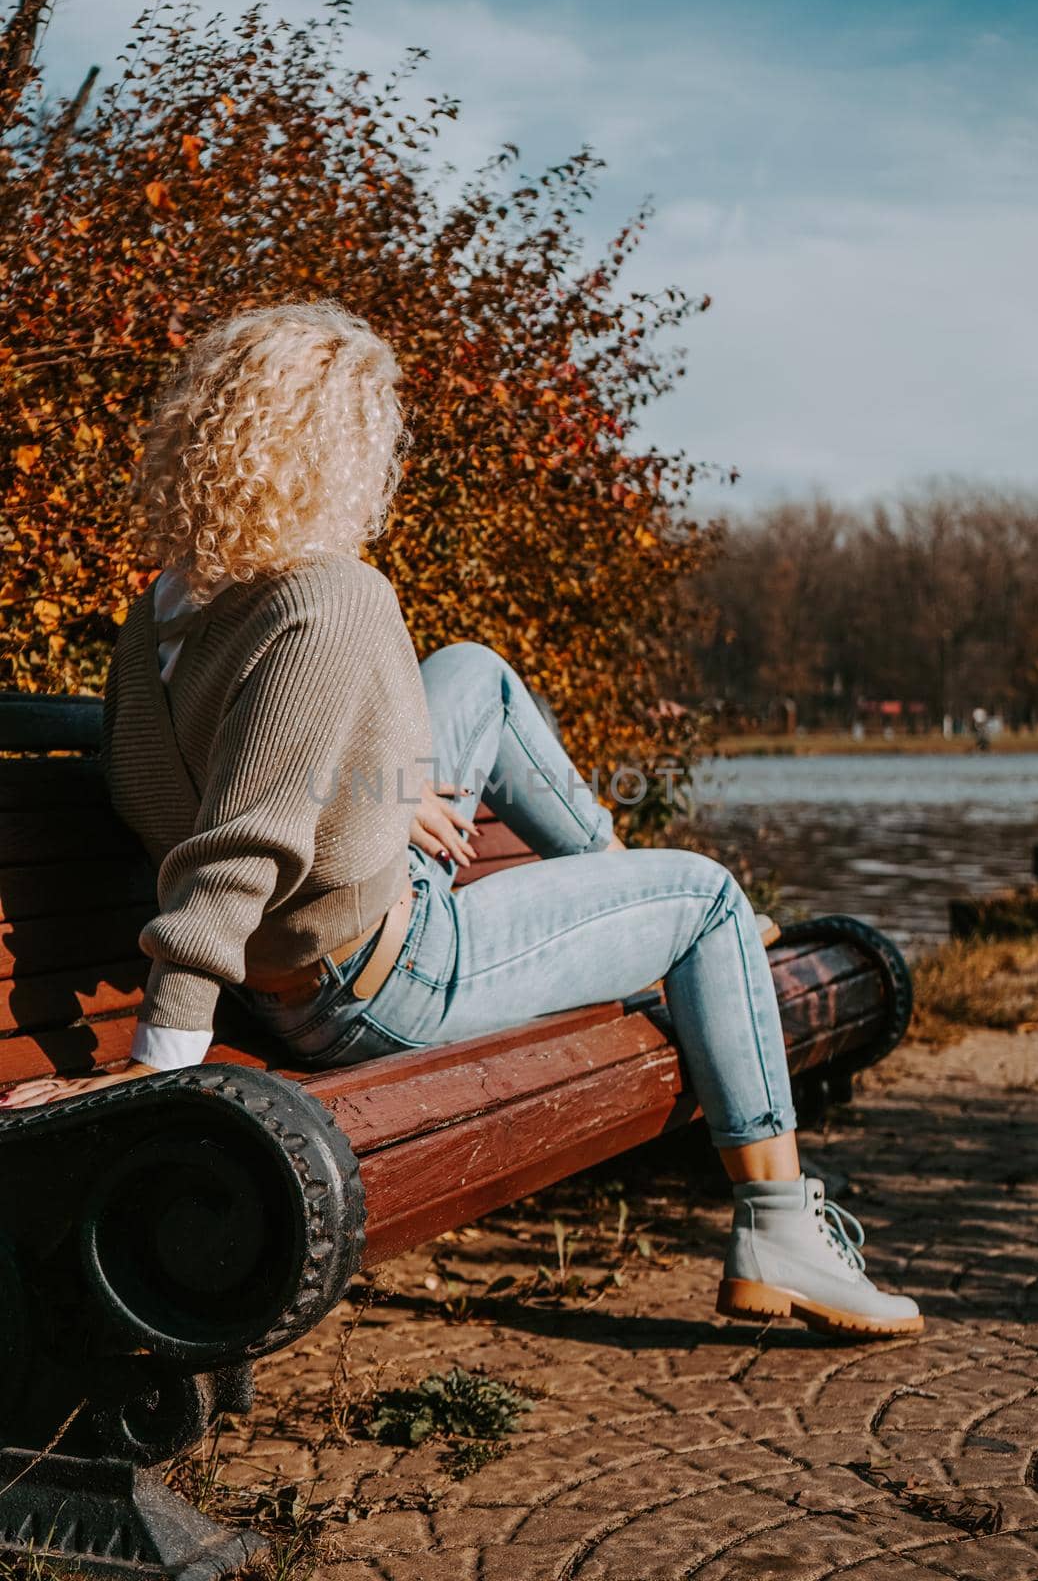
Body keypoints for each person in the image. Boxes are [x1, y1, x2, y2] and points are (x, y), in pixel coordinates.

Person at [1, 302, 922, 1340]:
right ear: (342, 447)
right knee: (707, 896)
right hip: (381, 983)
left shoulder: (165, 606)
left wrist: (386, 799)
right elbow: (242, 838)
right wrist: (163, 1060)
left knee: (473, 671)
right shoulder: (331, 595)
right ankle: (776, 1227)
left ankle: (616, 889)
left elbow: (180, 791)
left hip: (310, 949)